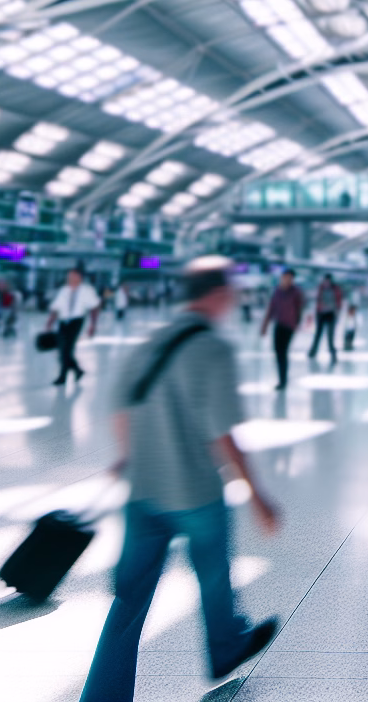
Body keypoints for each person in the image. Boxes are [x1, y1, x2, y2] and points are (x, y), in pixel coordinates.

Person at [79, 256, 279, 702]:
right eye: (230, 289)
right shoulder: (212, 348)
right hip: (195, 494)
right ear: (217, 294)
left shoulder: (151, 341)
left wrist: (130, 455)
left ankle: (102, 697)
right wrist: (258, 496)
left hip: (145, 494)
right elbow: (223, 432)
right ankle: (225, 647)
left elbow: (120, 408)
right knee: (212, 574)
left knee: (128, 602)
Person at [45, 266, 101, 385]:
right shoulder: (64, 290)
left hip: (76, 322)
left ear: (79, 277)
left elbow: (94, 308)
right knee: (62, 350)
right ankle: (78, 370)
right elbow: (56, 307)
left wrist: (93, 325)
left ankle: (63, 377)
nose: (69, 278)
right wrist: (50, 322)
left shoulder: (87, 290)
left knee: (67, 349)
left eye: (72, 275)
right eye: (68, 276)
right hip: (63, 322)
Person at [261, 268, 304, 390]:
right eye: (285, 277)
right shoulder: (277, 292)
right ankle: (281, 379)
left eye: (289, 277)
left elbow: (299, 309)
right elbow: (271, 308)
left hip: (289, 326)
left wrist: (297, 324)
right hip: (278, 324)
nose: (287, 279)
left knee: (283, 352)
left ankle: (283, 381)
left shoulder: (296, 292)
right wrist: (265, 325)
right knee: (277, 352)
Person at [308, 273, 343, 367]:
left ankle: (333, 354)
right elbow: (318, 300)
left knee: (330, 336)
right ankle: (313, 351)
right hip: (321, 314)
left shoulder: (335, 289)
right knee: (318, 334)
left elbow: (339, 301)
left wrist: (337, 312)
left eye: (328, 281)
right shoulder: (321, 288)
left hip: (331, 314)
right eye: (325, 281)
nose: (326, 282)